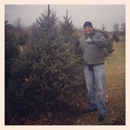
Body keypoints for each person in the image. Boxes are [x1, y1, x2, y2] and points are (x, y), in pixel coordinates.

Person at [75, 21, 108, 121]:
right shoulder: (82, 39)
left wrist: (93, 41)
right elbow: (78, 52)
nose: (87, 29)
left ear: (92, 28)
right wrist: (76, 46)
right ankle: (92, 106)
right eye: (85, 28)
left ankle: (102, 111)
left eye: (89, 27)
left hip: (98, 65)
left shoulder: (98, 35)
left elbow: (105, 43)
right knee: (90, 88)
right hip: (87, 66)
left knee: (100, 89)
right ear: (84, 29)